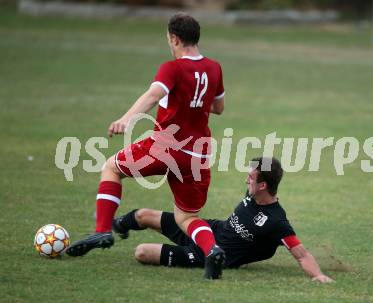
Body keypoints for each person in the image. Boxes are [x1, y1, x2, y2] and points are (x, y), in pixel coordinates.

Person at [66, 13, 227, 279]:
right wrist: (193, 102)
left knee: (111, 168)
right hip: (197, 154)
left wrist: (125, 119)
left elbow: (154, 94)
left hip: (165, 146)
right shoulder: (215, 68)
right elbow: (219, 108)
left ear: (174, 38)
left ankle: (103, 230)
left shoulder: (172, 68)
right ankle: (212, 250)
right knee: (186, 218)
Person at [112, 157, 334, 283]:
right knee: (141, 216)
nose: (246, 180)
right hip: (208, 229)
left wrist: (319, 275)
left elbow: (302, 254)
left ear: (263, 186)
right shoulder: (253, 192)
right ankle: (114, 226)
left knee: (141, 252)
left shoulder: (276, 222)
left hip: (208, 254)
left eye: (250, 178)